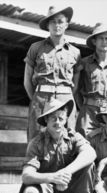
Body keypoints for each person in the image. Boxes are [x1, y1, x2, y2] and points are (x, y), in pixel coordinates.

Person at [18, 98, 97, 193]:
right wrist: (53, 177)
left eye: (61, 118)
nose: (58, 122)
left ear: (66, 120)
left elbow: (91, 153)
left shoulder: (74, 137)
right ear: (46, 121)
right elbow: (26, 176)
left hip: (69, 188)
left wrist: (66, 172)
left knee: (88, 165)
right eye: (53, 118)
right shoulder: (36, 143)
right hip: (47, 189)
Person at [24, 5, 80, 141]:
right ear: (48, 25)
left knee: (67, 139)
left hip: (66, 100)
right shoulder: (35, 48)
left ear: (66, 24)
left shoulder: (75, 52)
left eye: (60, 21)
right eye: (53, 22)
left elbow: (76, 84)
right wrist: (36, 99)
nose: (57, 25)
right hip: (41, 100)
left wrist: (65, 97)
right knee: (37, 139)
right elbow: (27, 80)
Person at [74, 23, 107, 137]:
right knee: (84, 142)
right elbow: (76, 89)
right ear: (94, 41)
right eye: (101, 38)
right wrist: (84, 107)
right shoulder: (84, 63)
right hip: (89, 113)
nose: (104, 41)